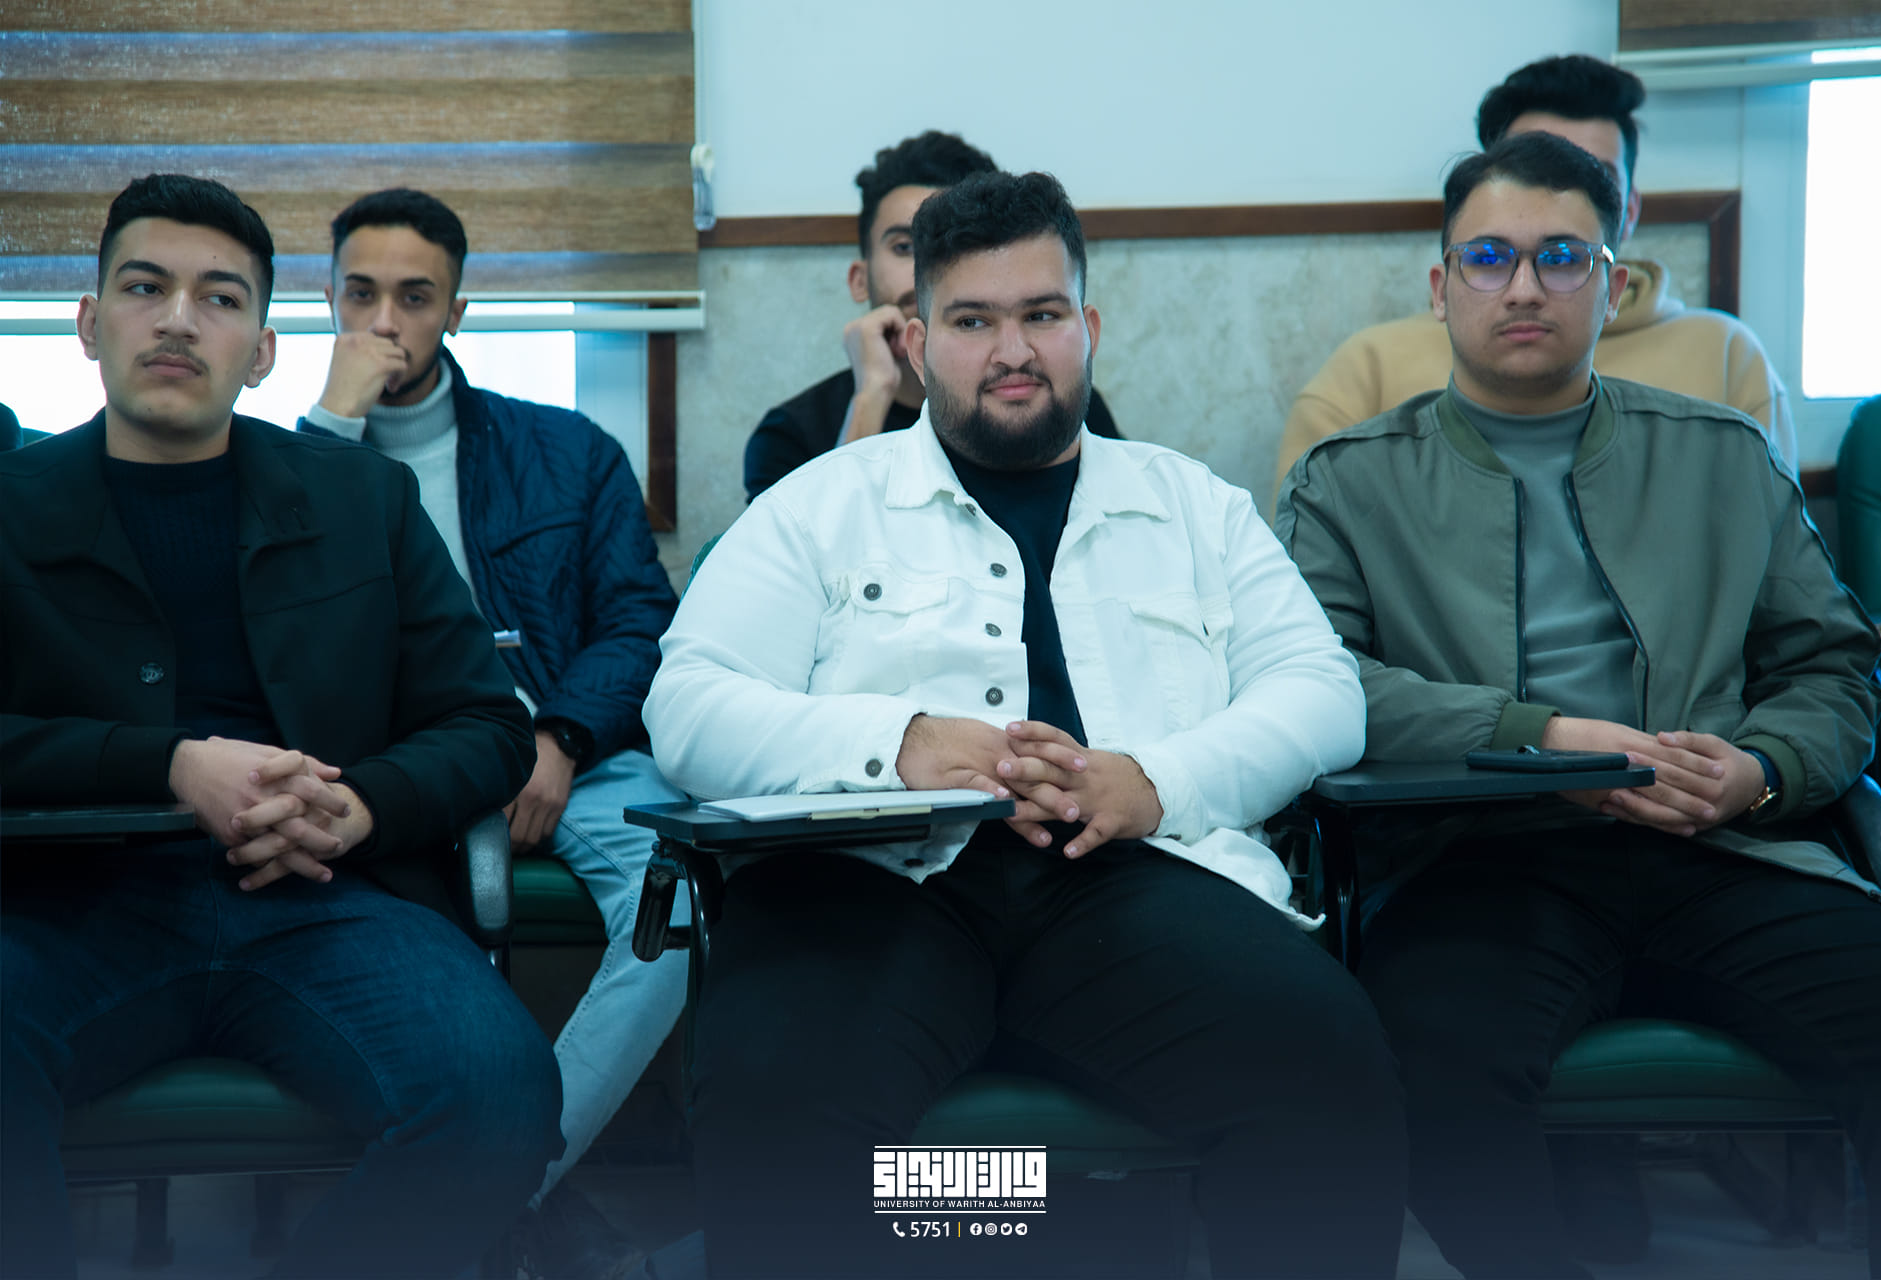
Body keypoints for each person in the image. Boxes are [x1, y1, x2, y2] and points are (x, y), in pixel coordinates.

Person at [648, 170, 1407, 1278]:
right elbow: (688, 705)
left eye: (1042, 314)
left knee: (1330, 1072)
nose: (1014, 350)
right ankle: (1001, 1229)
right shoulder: (818, 506)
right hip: (862, 884)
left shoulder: (1194, 504)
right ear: (917, 344)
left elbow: (1321, 690)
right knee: (779, 1113)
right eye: (972, 321)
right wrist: (900, 743)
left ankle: (1042, 1230)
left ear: (1088, 326)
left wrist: (1154, 778)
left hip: (1133, 877)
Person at [1275, 132, 1881, 1280]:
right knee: (1434, 1074)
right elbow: (1319, 683)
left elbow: (1832, 664)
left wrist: (1761, 768)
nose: (1524, 286)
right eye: (1489, 257)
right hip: (1480, 857)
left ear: (1612, 286)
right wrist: (1541, 739)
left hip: (1725, 845)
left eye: (1562, 256)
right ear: (1441, 287)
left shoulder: (1722, 458)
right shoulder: (1351, 481)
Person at [0, 174, 560, 1278]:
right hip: (68, 904)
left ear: (261, 351)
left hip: (325, 897)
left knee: (498, 1095)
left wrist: (361, 808)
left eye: (219, 298)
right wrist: (168, 766)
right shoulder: (14, 506)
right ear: (88, 323)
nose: (177, 320)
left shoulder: (361, 499)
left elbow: (486, 722)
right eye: (144, 288)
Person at [298, 187, 684, 1280]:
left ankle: (511, 1185)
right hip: (388, 771)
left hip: (569, 752)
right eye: (361, 295)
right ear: (327, 303)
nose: (386, 322)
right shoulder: (283, 463)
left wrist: (559, 737)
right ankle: (490, 1191)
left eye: (415, 297)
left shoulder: (565, 449)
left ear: (458, 311)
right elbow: (274, 636)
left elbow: (638, 620)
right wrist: (331, 430)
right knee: (424, 982)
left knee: (682, 911)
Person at [1274, 53, 1795, 487]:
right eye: (1531, 168)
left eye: (1594, 180)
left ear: (1630, 209)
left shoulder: (1725, 357)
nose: (1558, 198)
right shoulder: (1369, 369)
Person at [742, 129, 1121, 501]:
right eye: (906, 247)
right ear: (859, 279)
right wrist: (872, 394)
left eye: (961, 239)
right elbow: (813, 534)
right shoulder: (790, 434)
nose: (931, 265)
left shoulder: (1053, 402)